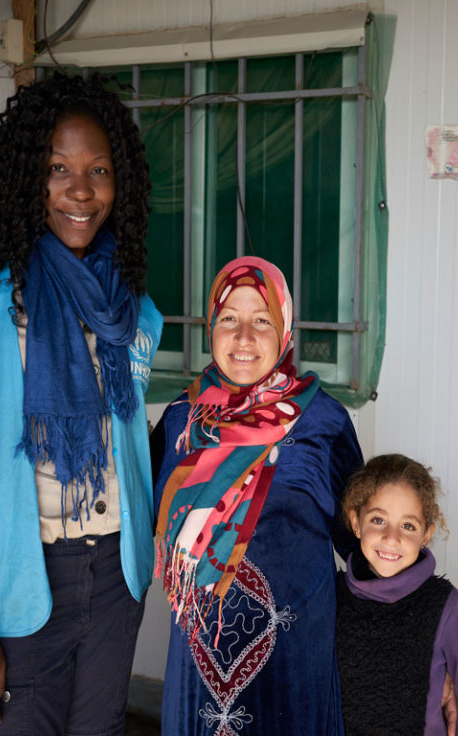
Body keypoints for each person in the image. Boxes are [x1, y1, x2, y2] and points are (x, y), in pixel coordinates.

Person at [0, 71, 162, 735]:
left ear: (119, 181)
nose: (80, 190)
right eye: (57, 168)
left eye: (98, 170)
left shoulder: (130, 308)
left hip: (112, 582)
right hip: (15, 583)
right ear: (27, 177)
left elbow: (126, 449)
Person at [150, 256, 363, 735]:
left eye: (261, 320)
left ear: (285, 329)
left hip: (295, 662)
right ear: (211, 327)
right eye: (229, 319)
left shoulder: (323, 421)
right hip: (200, 669)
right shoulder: (181, 419)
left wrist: (424, 647)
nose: (244, 337)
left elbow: (363, 545)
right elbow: (143, 520)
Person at [336, 454, 458, 736]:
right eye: (378, 520)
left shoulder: (447, 607)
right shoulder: (331, 597)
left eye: (408, 526)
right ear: (356, 523)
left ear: (426, 534)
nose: (391, 538)